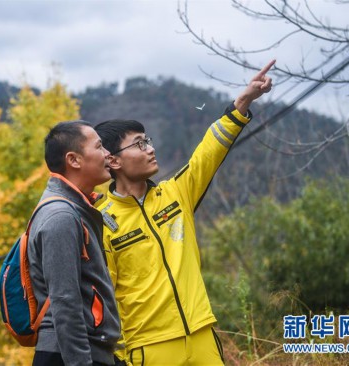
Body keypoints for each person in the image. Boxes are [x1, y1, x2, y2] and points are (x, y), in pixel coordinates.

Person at [94, 60, 275, 365]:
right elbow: (104, 296)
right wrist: (118, 354)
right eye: (139, 144)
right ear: (112, 161)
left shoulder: (176, 192)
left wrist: (242, 103)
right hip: (147, 348)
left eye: (147, 141)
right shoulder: (101, 220)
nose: (150, 149)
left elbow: (208, 151)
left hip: (201, 333)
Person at [28, 120, 121, 366]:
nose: (107, 154)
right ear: (74, 160)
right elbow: (65, 301)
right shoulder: (62, 216)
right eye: (99, 147)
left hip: (81, 352)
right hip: (69, 356)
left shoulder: (76, 210)